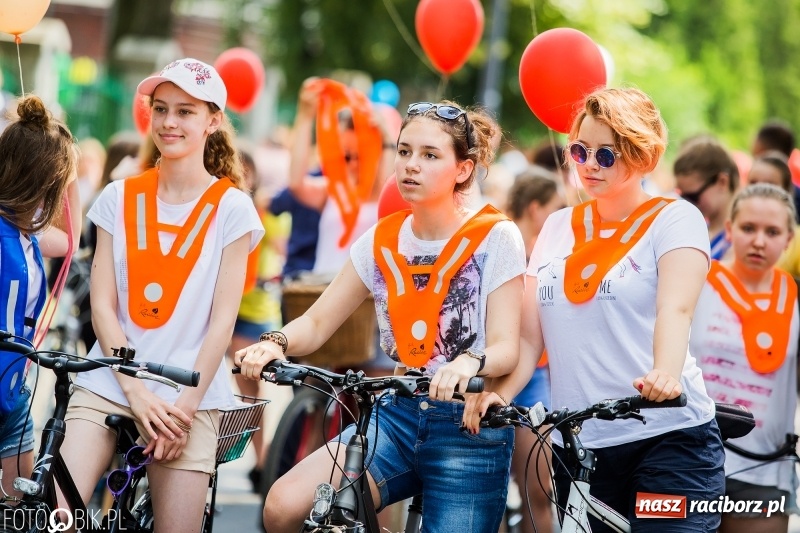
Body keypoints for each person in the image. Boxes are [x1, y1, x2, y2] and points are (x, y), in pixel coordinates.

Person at [236, 100, 527, 532]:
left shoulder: (495, 236)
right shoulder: (382, 239)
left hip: (468, 428)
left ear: (463, 170)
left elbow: (506, 346)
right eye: (404, 151)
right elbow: (316, 323)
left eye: (430, 155)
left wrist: (467, 363)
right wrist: (273, 342)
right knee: (283, 506)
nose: (411, 165)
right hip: (397, 414)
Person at [467, 87, 726, 532]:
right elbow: (530, 338)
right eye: (580, 150)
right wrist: (500, 394)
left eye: (606, 155)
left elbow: (675, 309)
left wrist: (665, 372)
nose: (589, 164)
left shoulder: (675, 218)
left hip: (668, 442)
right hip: (581, 448)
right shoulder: (555, 227)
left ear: (643, 154)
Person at [57, 58, 264, 532]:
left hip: (187, 397)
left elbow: (221, 323)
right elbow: (103, 308)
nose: (169, 122)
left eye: (186, 112)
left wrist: (183, 410)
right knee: (57, 515)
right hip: (111, 382)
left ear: (213, 121)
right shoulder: (118, 196)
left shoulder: (232, 208)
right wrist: (133, 389)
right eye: (161, 109)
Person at [691, 183, 798, 533]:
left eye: (772, 232)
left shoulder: (796, 300)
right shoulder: (697, 283)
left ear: (789, 238)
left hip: (765, 472)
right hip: (687, 463)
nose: (759, 241)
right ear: (729, 229)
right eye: (748, 228)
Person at [0, 95, 81, 500]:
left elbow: (70, 242)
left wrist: (70, 174)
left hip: (13, 395)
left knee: (18, 512)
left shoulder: (25, 232)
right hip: (6, 386)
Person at [505, 168, 565, 533]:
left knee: (537, 492)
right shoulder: (499, 244)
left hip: (535, 380)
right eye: (556, 207)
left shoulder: (554, 252)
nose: (563, 215)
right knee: (489, 495)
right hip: (491, 378)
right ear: (536, 209)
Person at [287, 77, 395, 277]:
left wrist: (387, 138)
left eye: (361, 157)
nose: (353, 163)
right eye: (347, 156)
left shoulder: (389, 196)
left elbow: (387, 185)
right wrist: (305, 116)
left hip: (367, 300)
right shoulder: (334, 190)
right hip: (321, 292)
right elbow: (296, 183)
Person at [673, 135, 740, 260]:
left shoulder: (740, 239)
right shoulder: (699, 230)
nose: (687, 204)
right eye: (682, 197)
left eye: (693, 196)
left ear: (722, 182)